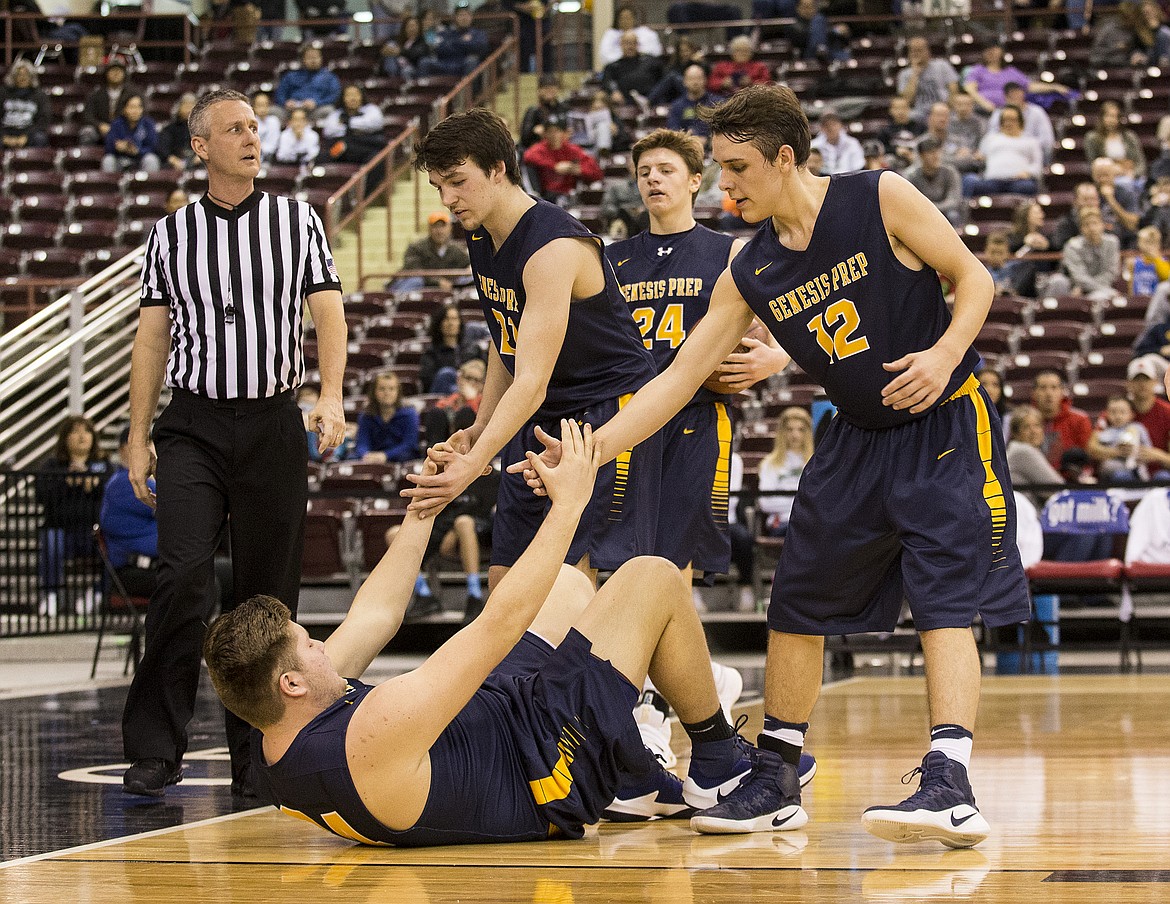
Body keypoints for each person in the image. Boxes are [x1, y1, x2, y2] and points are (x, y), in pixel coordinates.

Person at [511, 84, 1029, 846]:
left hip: (944, 422)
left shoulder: (878, 197)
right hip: (852, 436)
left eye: (737, 170)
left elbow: (975, 276)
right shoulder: (749, 266)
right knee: (795, 602)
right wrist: (588, 449)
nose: (725, 187)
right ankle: (778, 770)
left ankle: (948, 778)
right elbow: (679, 379)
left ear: (785, 159)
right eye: (718, 170)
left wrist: (947, 351)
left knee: (944, 599)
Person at [205, 421, 773, 844]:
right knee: (651, 578)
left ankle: (634, 773)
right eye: (309, 646)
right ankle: (717, 765)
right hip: (546, 771)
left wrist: (425, 505)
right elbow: (498, 626)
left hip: (503, 725)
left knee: (570, 590)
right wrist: (569, 503)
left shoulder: (275, 735)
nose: (322, 646)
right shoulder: (370, 735)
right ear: (291, 684)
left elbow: (375, 615)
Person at [122, 88, 347, 798]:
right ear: (201, 147)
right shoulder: (171, 233)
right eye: (235, 129)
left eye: (255, 126)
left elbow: (329, 311)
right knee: (181, 577)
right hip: (192, 423)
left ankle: (260, 755)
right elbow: (152, 337)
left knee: (267, 599)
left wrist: (332, 394)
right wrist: (135, 436)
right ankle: (157, 748)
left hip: (273, 421)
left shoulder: (295, 219)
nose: (252, 137)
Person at [406, 107, 661, 593]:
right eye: (439, 186)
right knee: (507, 581)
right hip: (543, 413)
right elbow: (508, 342)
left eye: (457, 181)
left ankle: (609, 670)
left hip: (609, 408)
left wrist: (474, 463)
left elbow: (532, 377)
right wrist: (481, 426)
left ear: (498, 169)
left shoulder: (553, 246)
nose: (447, 198)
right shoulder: (480, 234)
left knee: (568, 582)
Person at [605, 128, 787, 589]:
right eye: (644, 172)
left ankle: (669, 660)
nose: (653, 180)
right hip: (628, 415)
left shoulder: (731, 251)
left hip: (696, 414)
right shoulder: (610, 260)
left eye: (666, 170)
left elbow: (789, 321)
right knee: (620, 554)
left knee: (674, 560)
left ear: (694, 181)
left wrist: (774, 361)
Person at [36, 417, 111, 618]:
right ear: (65, 438)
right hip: (61, 530)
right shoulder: (52, 466)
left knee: (115, 547)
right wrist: (66, 483)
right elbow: (41, 496)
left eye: (86, 431)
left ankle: (96, 593)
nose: (81, 437)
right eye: (75, 432)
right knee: (52, 539)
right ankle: (50, 594)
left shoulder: (103, 465)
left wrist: (94, 487)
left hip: (92, 532)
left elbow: (113, 499)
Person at [963, 41, 1070, 114]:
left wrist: (1054, 86)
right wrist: (984, 103)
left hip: (1010, 110)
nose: (992, 53)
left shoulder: (1011, 71)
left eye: (994, 50)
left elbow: (1029, 86)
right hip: (983, 111)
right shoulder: (978, 70)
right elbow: (970, 88)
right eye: (988, 51)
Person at [756, 407, 813, 537]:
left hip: (810, 523)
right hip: (781, 523)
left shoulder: (816, 463)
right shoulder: (769, 464)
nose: (795, 435)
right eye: (789, 429)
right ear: (782, 432)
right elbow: (765, 503)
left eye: (801, 430)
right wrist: (801, 502)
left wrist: (785, 500)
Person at [962, 105, 1042, 197]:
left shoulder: (1031, 141)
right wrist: (975, 157)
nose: (1008, 123)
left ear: (1021, 122)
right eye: (1005, 120)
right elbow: (979, 158)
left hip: (1018, 182)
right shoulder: (990, 138)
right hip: (991, 182)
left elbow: (1037, 165)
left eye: (1012, 120)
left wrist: (1028, 173)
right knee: (969, 181)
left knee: (1027, 187)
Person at [521, 116, 604, 202]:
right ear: (545, 134)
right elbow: (528, 156)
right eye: (550, 132)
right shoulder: (539, 148)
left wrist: (579, 170)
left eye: (557, 131)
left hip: (569, 194)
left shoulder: (572, 150)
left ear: (564, 133)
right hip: (546, 195)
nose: (554, 135)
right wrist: (554, 166)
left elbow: (596, 171)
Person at [1048, 206, 1122, 301]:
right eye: (1087, 225)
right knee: (1057, 281)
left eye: (1095, 223)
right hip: (1073, 288)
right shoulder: (1072, 245)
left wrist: (1090, 289)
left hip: (1098, 289)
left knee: (1100, 296)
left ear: (1102, 225)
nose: (1092, 228)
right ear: (1081, 228)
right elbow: (1079, 276)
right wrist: (1105, 290)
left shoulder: (1112, 242)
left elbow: (1110, 273)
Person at [1030, 368, 1092, 471]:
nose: (1048, 393)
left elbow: (1087, 458)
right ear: (1034, 393)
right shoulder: (1024, 420)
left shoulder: (1080, 419)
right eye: (1043, 388)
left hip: (1070, 480)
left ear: (1062, 391)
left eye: (1054, 388)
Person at [397, 211, 473, 294]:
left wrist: (470, 268)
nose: (439, 231)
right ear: (429, 228)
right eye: (435, 227)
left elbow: (468, 264)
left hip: (449, 286)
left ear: (450, 228)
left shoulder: (457, 250)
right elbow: (414, 270)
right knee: (414, 281)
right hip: (423, 286)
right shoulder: (416, 248)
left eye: (443, 226)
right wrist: (438, 282)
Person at [353, 372, 421, 463]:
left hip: (401, 457)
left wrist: (385, 455)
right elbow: (362, 443)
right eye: (382, 389)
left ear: (398, 392)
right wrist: (366, 455)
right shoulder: (366, 416)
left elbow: (409, 444)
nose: (387, 393)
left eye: (391, 389)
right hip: (372, 457)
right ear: (374, 392)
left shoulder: (410, 414)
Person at [418, 301, 484, 394]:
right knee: (447, 373)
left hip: (472, 392)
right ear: (440, 324)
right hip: (443, 396)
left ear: (460, 322)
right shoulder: (431, 353)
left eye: (454, 319)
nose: (451, 323)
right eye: (447, 319)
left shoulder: (473, 349)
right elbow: (428, 383)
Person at [1005, 405, 1065, 505]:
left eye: (1037, 425)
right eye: (1026, 427)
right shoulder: (1022, 451)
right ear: (1016, 433)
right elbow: (1057, 490)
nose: (1033, 431)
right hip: (1026, 517)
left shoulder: (1018, 449)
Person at [316, 84, 386, 166]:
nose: (353, 98)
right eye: (349, 95)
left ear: (361, 96)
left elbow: (374, 124)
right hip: (342, 145)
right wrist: (357, 128)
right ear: (343, 98)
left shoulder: (371, 109)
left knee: (376, 156)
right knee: (321, 158)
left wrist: (347, 123)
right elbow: (329, 131)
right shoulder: (336, 114)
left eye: (356, 94)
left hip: (365, 144)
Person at [1087, 395, 1153, 481]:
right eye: (1113, 412)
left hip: (1138, 471)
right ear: (1106, 414)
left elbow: (1148, 450)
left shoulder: (1138, 428)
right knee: (1119, 474)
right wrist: (1118, 452)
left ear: (1131, 414)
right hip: (1112, 474)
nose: (1118, 416)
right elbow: (1093, 451)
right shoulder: (1103, 433)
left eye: (1122, 412)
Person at [988, 82, 1054, 164]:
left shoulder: (1037, 112)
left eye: (1017, 94)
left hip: (1031, 154)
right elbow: (991, 137)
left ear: (1023, 94)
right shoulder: (998, 113)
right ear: (1006, 97)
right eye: (1012, 95)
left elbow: (1046, 140)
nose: (1016, 98)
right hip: (1005, 153)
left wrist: (1025, 147)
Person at [904, 136, 964, 226]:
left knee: (953, 215)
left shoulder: (950, 172)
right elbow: (909, 203)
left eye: (937, 151)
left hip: (944, 213)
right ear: (921, 155)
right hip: (920, 214)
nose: (936, 156)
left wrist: (932, 208)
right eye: (930, 152)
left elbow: (954, 200)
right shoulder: (911, 175)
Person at [897, 35, 958, 120]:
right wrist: (915, 74)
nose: (916, 54)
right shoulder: (904, 74)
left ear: (928, 51)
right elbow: (907, 100)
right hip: (920, 112)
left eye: (919, 50)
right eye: (913, 51)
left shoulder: (942, 65)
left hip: (943, 108)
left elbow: (953, 89)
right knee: (907, 118)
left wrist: (948, 107)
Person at [1126, 356, 1170, 475]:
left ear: (1155, 381)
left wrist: (1158, 456)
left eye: (1146, 379)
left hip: (1162, 474)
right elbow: (1093, 447)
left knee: (1162, 477)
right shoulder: (1119, 410)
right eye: (1137, 379)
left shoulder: (1167, 412)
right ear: (1128, 383)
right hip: (1127, 472)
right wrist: (1118, 452)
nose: (1142, 384)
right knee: (1118, 473)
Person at [81, 60, 141, 146]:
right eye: (113, 70)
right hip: (101, 129)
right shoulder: (96, 94)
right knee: (87, 132)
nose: (116, 74)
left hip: (124, 129)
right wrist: (100, 125)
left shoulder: (132, 94)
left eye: (119, 71)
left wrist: (116, 128)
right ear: (106, 73)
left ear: (124, 74)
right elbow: (87, 115)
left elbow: (139, 114)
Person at [419, 4, 489, 78]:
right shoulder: (445, 33)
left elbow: (481, 48)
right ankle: (422, 89)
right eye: (461, 15)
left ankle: (465, 89)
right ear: (455, 17)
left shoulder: (478, 33)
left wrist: (454, 44)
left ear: (471, 17)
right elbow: (439, 48)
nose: (464, 18)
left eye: (467, 15)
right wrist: (464, 43)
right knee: (424, 62)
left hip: (463, 64)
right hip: (444, 64)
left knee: (472, 61)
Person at [274, 45, 341, 117]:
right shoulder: (291, 76)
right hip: (292, 110)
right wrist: (285, 102)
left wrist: (317, 103)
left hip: (316, 110)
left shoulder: (329, 77)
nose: (313, 60)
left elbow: (334, 95)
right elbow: (280, 93)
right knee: (273, 111)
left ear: (321, 58)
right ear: (303, 60)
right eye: (309, 58)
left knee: (329, 110)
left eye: (316, 57)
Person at [603, 31, 666, 105]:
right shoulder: (613, 66)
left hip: (650, 101)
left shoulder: (651, 62)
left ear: (637, 44)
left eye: (633, 43)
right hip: (625, 102)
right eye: (626, 43)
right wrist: (614, 91)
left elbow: (663, 80)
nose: (630, 46)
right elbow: (608, 81)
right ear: (621, 45)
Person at [102, 94, 160, 173]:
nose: (135, 111)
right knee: (108, 159)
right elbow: (108, 147)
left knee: (151, 159)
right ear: (124, 109)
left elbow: (153, 147)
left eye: (138, 107)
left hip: (140, 159)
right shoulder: (116, 124)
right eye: (132, 107)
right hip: (120, 159)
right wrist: (117, 147)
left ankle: (148, 185)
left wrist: (138, 151)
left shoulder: (148, 124)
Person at [0, 59, 50, 149]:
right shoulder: (3, 93)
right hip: (6, 131)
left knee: (40, 138)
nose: (22, 78)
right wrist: (4, 137)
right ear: (13, 77)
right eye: (19, 74)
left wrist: (26, 137)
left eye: (26, 75)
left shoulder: (40, 96)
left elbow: (43, 120)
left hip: (29, 132)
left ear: (32, 77)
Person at [598, 4, 663, 67]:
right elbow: (604, 55)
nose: (625, 21)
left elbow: (655, 52)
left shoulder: (646, 33)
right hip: (618, 69)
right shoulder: (610, 34)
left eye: (628, 17)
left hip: (641, 68)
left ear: (634, 18)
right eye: (622, 18)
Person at [666, 64, 721, 138]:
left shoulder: (717, 103)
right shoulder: (677, 106)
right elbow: (673, 131)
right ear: (684, 81)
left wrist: (707, 140)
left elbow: (723, 130)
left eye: (699, 78)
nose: (695, 82)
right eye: (691, 79)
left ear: (705, 80)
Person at [876, 96, 924, 172]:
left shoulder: (920, 127)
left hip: (916, 162)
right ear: (891, 110)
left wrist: (913, 154)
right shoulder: (885, 131)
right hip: (894, 164)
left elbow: (926, 146)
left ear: (909, 109)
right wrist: (895, 150)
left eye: (904, 108)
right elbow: (880, 148)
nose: (901, 112)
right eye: (897, 108)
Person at [520, 74, 568, 150]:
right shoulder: (533, 111)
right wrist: (534, 131)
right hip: (541, 149)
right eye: (546, 88)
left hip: (562, 148)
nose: (549, 91)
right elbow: (524, 139)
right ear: (539, 90)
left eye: (552, 88)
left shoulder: (564, 108)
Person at [382, 14, 431, 80]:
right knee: (390, 45)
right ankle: (392, 78)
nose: (412, 28)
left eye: (414, 26)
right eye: (410, 26)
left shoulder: (422, 43)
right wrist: (387, 50)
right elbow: (385, 50)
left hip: (412, 68)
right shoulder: (396, 39)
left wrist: (399, 52)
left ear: (419, 28)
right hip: (396, 66)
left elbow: (415, 54)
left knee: (406, 71)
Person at [156, 93, 197, 170]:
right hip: (174, 163)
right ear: (179, 108)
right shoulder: (169, 129)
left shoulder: (202, 128)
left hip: (197, 161)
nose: (188, 109)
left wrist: (200, 157)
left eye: (191, 106)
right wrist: (173, 160)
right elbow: (163, 150)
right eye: (186, 106)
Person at [1129, 225, 1169, 297]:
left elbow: (1166, 278)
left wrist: (1156, 259)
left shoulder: (1163, 262)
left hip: (1155, 299)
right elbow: (1131, 284)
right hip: (1138, 299)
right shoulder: (1134, 262)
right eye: (1146, 242)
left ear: (1159, 244)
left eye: (1153, 242)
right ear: (1139, 243)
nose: (1149, 246)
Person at [251, 91, 282, 163]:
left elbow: (274, 143)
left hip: (271, 157)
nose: (262, 108)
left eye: (265, 105)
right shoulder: (250, 122)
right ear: (254, 107)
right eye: (259, 105)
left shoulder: (274, 121)